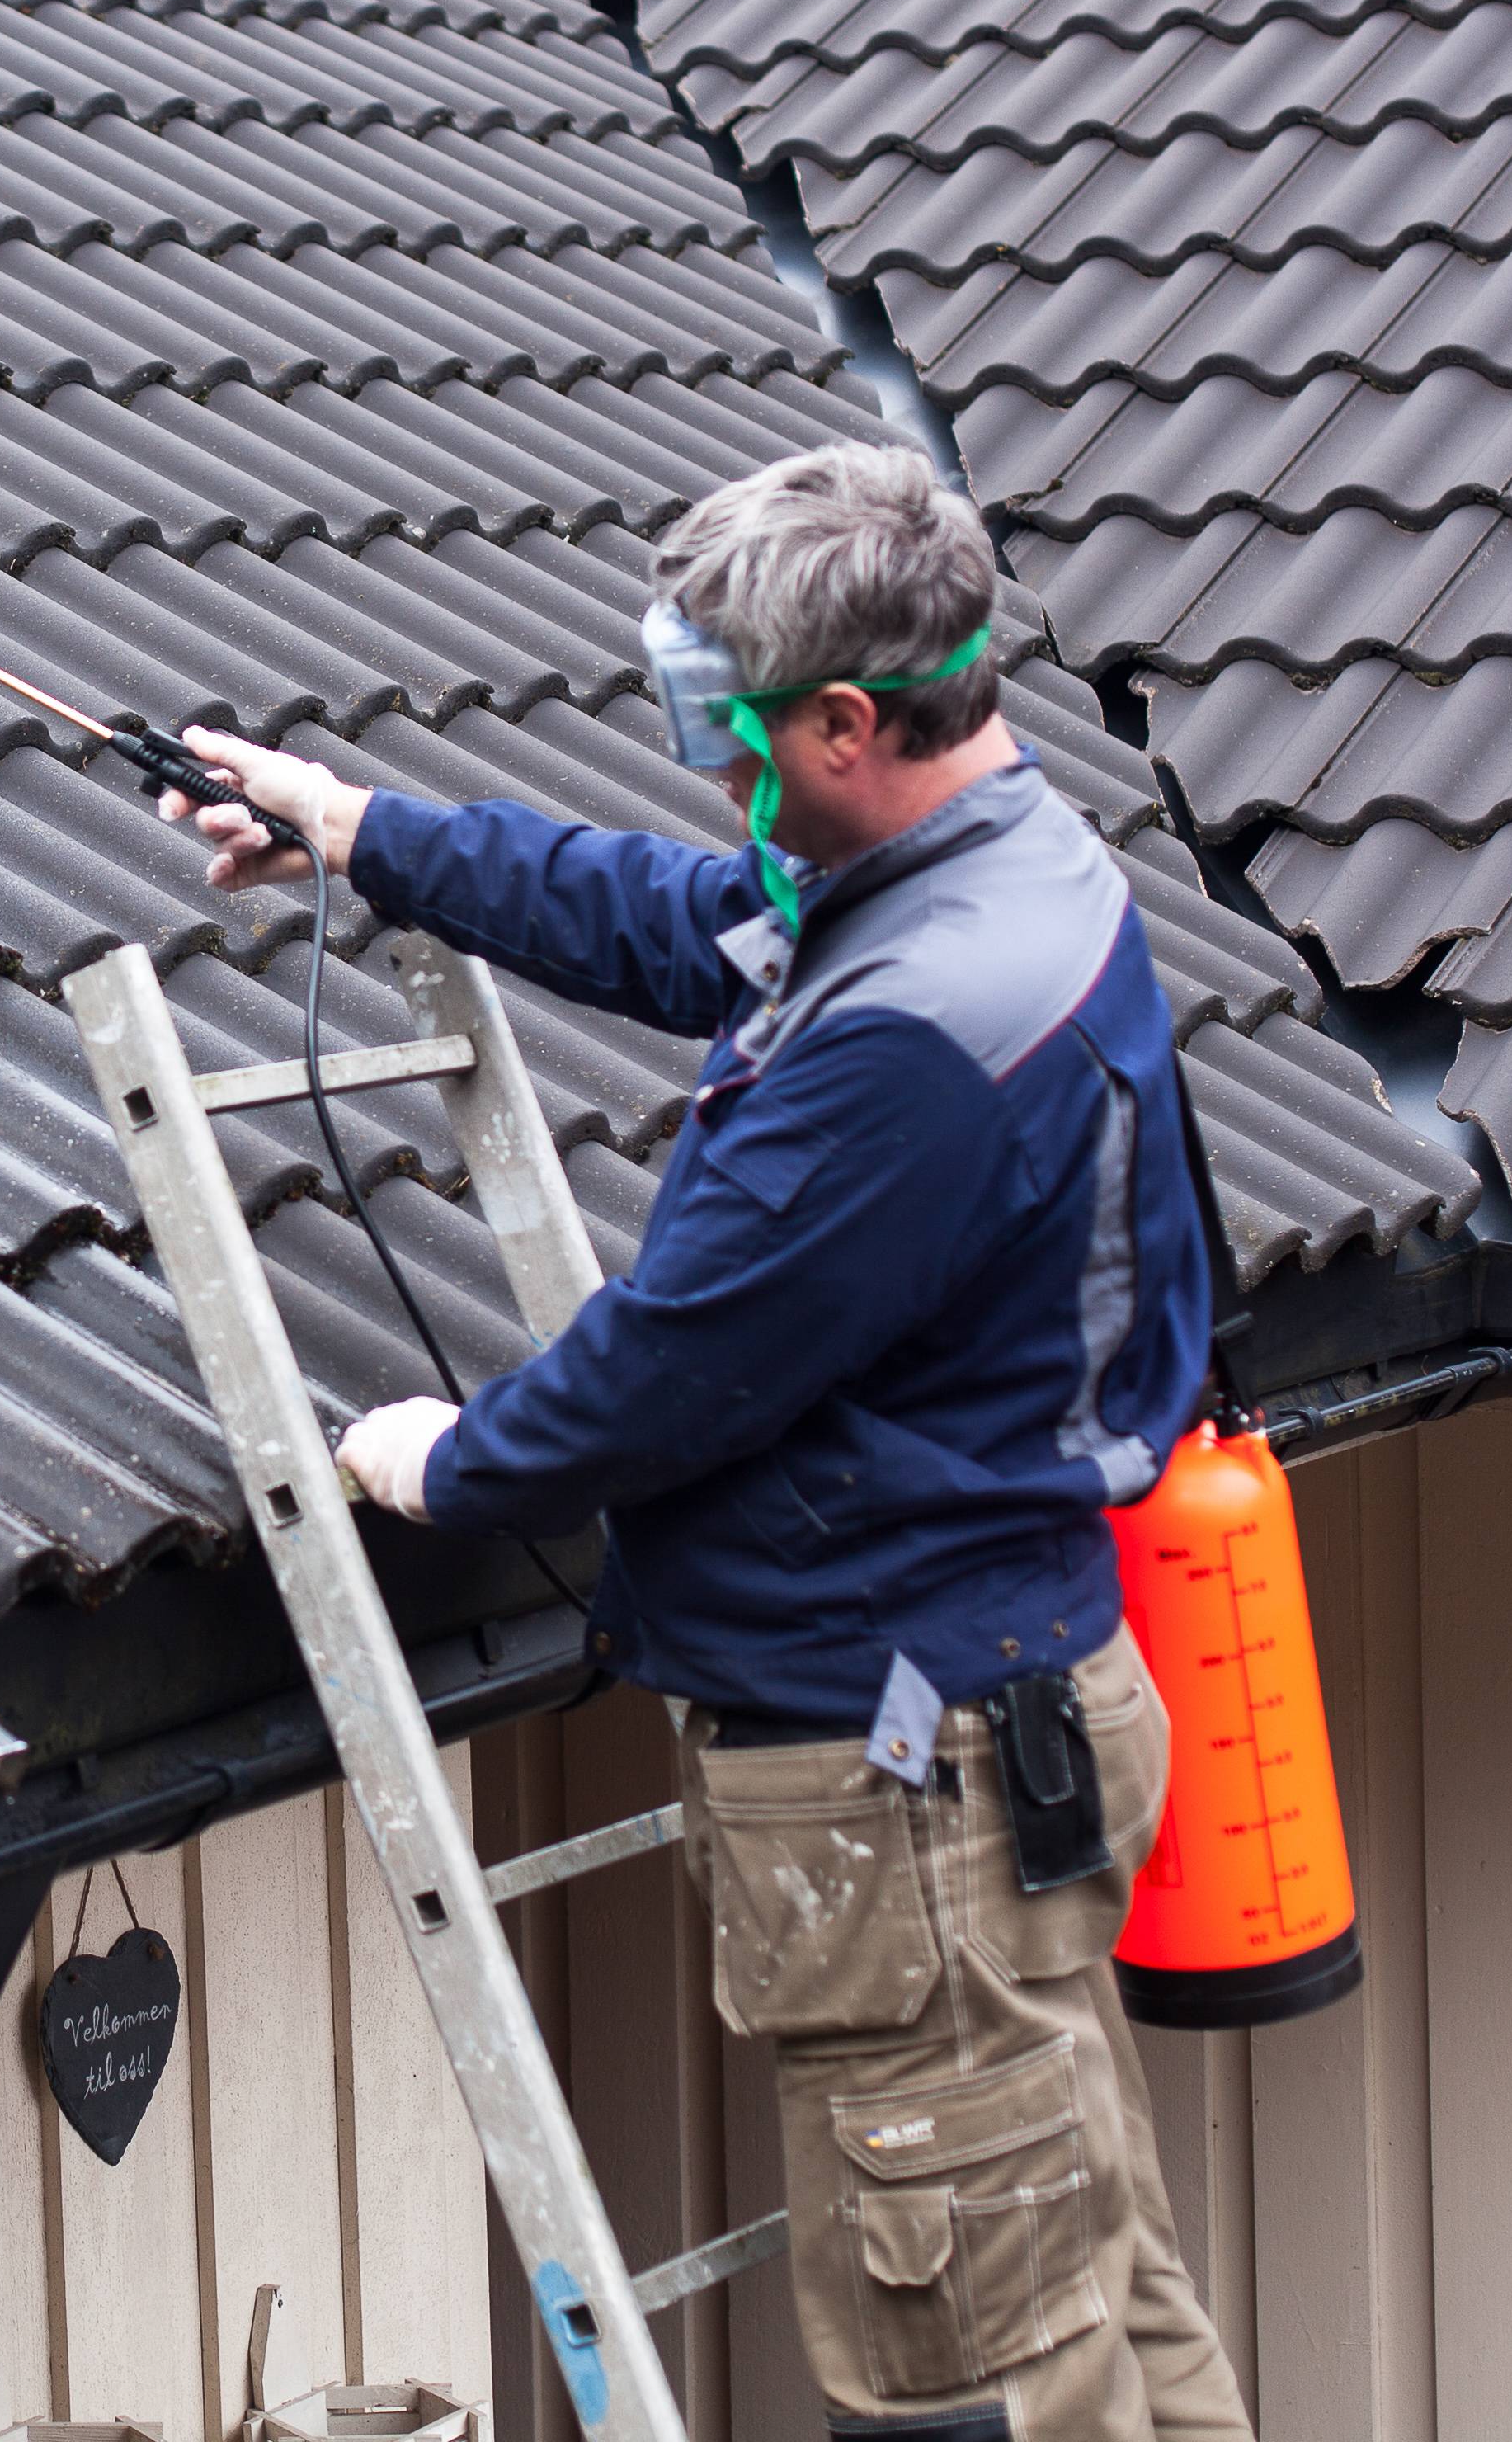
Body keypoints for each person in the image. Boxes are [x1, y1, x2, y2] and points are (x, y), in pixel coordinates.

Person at [161, 441, 1253, 2442]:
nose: (711, 773)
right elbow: (689, 921)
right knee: (1086, 2287)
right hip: (1001, 1694)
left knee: (970, 2369)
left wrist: (448, 1460)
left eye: (724, 730)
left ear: (848, 720)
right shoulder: (987, 879)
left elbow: (672, 1365)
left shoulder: (915, 1039)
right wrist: (359, 830)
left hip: (896, 1775)